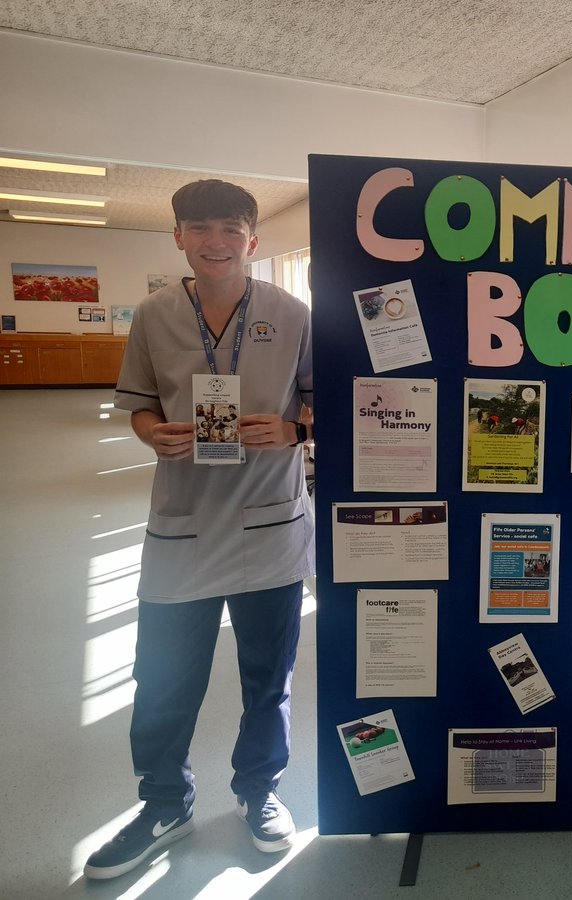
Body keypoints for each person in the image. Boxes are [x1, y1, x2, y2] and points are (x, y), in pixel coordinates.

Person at [85, 180, 315, 880]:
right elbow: (140, 405)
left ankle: (259, 793)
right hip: (182, 525)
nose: (217, 242)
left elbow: (328, 402)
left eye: (231, 228)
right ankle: (164, 804)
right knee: (162, 680)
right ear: (179, 237)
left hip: (269, 524)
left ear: (253, 239)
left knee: (267, 680)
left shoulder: (293, 314)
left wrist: (295, 430)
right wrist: (153, 434)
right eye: (201, 228)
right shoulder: (155, 315)